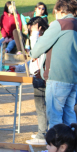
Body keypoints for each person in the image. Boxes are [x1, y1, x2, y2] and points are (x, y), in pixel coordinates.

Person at [30, 0, 77, 129]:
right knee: (69, 115)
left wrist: (33, 51)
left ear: (60, 10)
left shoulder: (60, 24)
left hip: (58, 77)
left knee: (55, 117)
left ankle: (56, 147)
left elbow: (39, 47)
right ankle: (71, 147)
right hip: (74, 78)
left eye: (55, 12)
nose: (55, 15)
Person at [14, 17, 49, 145]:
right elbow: (33, 60)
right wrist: (19, 67)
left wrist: (34, 34)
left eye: (32, 28)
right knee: (43, 107)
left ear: (39, 28)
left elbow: (34, 52)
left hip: (41, 77)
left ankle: (42, 135)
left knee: (41, 108)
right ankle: (43, 131)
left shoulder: (41, 39)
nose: (30, 31)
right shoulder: (44, 39)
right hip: (40, 75)